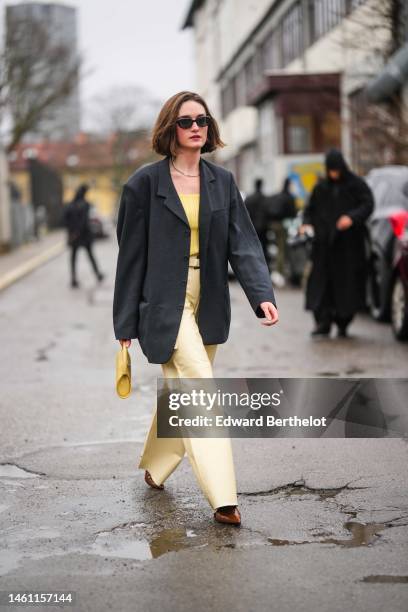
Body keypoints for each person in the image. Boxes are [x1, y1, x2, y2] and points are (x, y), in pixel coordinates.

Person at [113, 91, 279, 527]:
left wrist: (261, 294)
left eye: (202, 120)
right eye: (186, 121)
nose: (196, 127)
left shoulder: (221, 181)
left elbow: (243, 242)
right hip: (164, 300)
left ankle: (157, 465)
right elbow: (130, 258)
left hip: (209, 298)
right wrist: (125, 321)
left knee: (182, 388)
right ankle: (223, 496)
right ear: (170, 128)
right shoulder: (143, 185)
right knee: (201, 386)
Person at [299, 149, 374, 338]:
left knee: (346, 286)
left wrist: (352, 217)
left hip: (347, 247)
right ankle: (322, 323)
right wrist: (306, 223)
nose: (333, 174)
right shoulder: (321, 187)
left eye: (336, 170)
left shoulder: (356, 185)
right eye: (330, 170)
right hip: (323, 246)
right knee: (321, 286)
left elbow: (368, 204)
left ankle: (343, 322)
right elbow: (309, 208)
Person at [63, 184, 105, 288]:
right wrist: (78, 231)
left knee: (73, 258)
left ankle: (73, 279)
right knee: (90, 256)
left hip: (74, 235)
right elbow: (84, 221)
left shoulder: (70, 205)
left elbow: (65, 220)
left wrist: (71, 233)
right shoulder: (85, 205)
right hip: (84, 235)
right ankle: (98, 275)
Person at [267, 177, 297, 283]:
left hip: (273, 224)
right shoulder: (289, 197)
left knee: (279, 248)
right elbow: (293, 212)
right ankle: (280, 272)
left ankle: (279, 271)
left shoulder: (278, 195)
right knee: (282, 249)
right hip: (283, 225)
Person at [244, 178, 269, 265]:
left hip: (252, 226)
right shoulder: (265, 198)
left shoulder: (249, 198)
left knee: (253, 248)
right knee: (264, 248)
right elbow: (269, 212)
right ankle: (265, 266)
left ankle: (254, 265)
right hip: (264, 227)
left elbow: (244, 212)